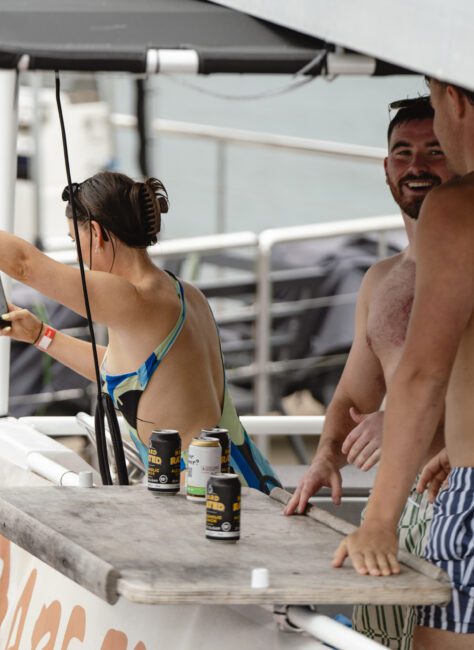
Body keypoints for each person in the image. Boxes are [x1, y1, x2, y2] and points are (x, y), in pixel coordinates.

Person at [0, 135, 280, 494]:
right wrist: (41, 334)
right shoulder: (182, 294)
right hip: (245, 480)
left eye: (76, 243)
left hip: (208, 500)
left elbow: (24, 264)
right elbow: (127, 373)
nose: (80, 257)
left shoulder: (131, 297)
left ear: (97, 233)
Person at [284, 98, 454, 649]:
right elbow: (352, 394)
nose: (418, 166)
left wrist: (400, 419)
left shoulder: (468, 264)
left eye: (435, 150)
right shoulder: (383, 280)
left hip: (457, 496)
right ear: (386, 169)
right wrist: (325, 455)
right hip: (396, 509)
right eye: (403, 153)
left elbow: (434, 382)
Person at [333, 78, 474, 649]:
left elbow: (423, 372)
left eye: (436, 106)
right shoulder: (380, 279)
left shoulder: (459, 209)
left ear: (454, 98)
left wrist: (379, 521)